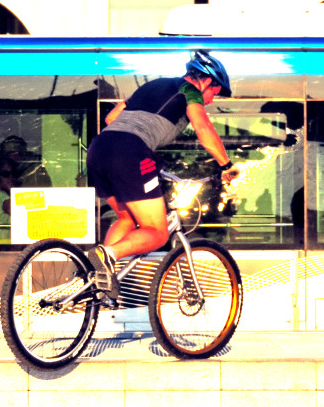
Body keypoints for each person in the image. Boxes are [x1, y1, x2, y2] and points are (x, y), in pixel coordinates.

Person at [86, 50, 239, 292]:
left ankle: (99, 278)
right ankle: (109, 254)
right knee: (157, 233)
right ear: (206, 81)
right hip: (130, 150)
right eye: (214, 93)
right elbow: (203, 128)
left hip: (99, 148)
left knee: (127, 217)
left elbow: (112, 117)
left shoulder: (153, 85)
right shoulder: (189, 91)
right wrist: (226, 165)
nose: (210, 101)